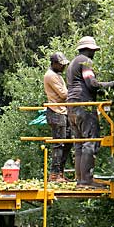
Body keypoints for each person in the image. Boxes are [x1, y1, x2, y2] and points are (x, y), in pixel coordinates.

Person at [65, 36, 114, 188]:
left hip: (71, 105)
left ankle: (81, 180)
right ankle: (87, 180)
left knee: (79, 143)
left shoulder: (72, 63)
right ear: (90, 49)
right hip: (84, 104)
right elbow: (91, 84)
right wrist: (111, 85)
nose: (94, 53)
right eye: (93, 50)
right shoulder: (85, 61)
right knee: (90, 141)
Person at [43, 52, 71, 182]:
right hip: (56, 112)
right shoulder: (51, 76)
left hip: (62, 111)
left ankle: (60, 172)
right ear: (54, 64)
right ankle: (54, 174)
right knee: (58, 144)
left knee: (67, 143)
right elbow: (63, 94)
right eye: (61, 65)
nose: (63, 67)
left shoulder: (57, 75)